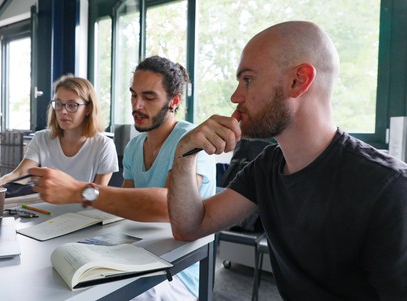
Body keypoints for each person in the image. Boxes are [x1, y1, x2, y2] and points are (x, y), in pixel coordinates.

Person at [167, 21, 407, 300]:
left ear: (298, 81)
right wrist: (184, 152)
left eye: (248, 79)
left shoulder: (389, 190)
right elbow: (190, 227)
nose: (235, 96)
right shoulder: (267, 167)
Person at [26, 56, 216, 300]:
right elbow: (124, 207)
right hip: (139, 254)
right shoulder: (136, 145)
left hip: (178, 271)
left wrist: (80, 191)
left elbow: (171, 206)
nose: (136, 105)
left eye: (148, 97)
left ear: (174, 101)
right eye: (133, 94)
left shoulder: (190, 139)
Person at [0, 75, 119, 211]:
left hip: (81, 215)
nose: (63, 111)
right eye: (59, 104)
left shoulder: (103, 145)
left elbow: (97, 196)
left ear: (88, 108)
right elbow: (19, 173)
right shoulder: (42, 138)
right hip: (45, 211)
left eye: (72, 105)